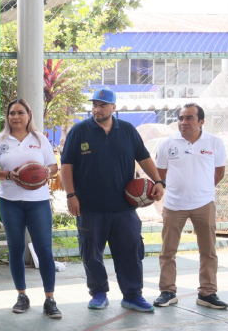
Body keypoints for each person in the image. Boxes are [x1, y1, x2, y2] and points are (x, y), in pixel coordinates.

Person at [60, 89, 164, 312]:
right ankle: (98, 293)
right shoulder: (79, 131)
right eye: (95, 105)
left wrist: (158, 181)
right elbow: (66, 166)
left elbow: (144, 157)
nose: (97, 109)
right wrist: (71, 195)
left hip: (124, 208)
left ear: (113, 108)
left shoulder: (126, 130)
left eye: (102, 105)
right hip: (90, 207)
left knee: (130, 252)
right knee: (91, 253)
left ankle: (133, 295)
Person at [0, 99, 62, 318]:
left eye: (20, 113)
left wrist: (44, 173)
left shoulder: (40, 139)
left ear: (29, 115)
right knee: (15, 249)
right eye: (12, 113)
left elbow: (53, 166)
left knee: (44, 250)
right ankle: (22, 295)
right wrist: (11, 175)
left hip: (38, 202)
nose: (16, 117)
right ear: (7, 116)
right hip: (9, 201)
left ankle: (50, 299)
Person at [154, 104, 227, 309]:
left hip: (204, 204)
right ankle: (167, 291)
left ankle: (207, 293)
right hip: (174, 205)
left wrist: (202, 189)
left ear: (201, 121)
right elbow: (160, 175)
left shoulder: (215, 142)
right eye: (180, 118)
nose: (183, 122)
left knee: (208, 251)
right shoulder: (167, 143)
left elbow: (218, 173)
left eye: (189, 118)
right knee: (168, 251)